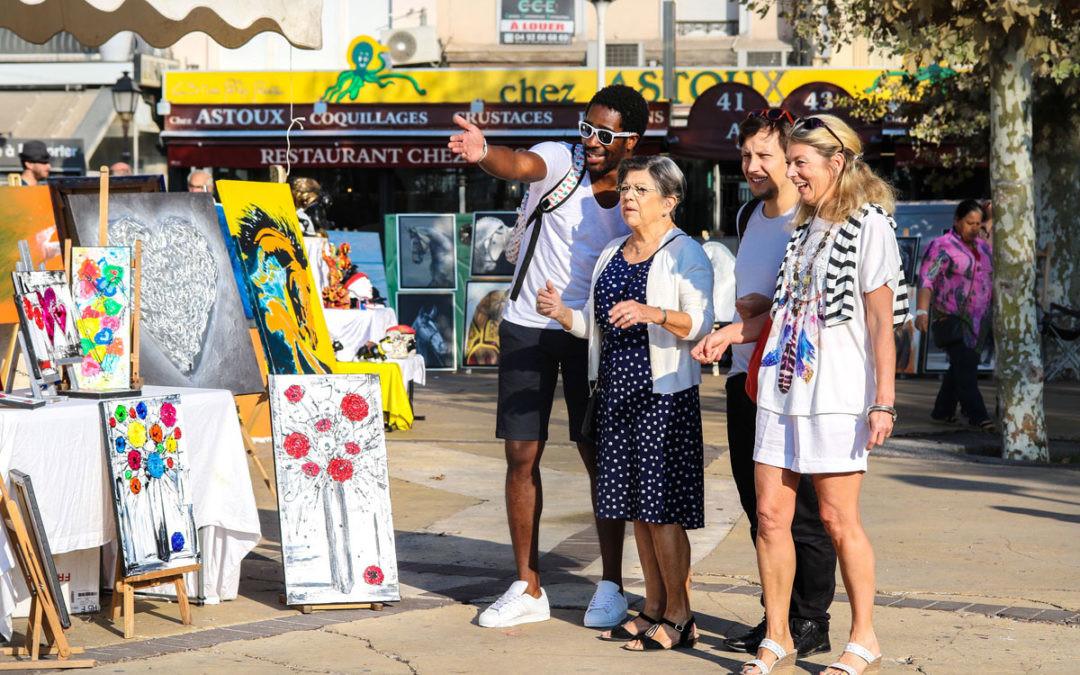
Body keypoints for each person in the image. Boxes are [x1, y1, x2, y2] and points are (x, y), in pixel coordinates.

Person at [696, 114, 905, 675]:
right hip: (779, 388)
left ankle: (864, 637)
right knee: (768, 515)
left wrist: (883, 400)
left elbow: (883, 324)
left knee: (838, 521)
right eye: (788, 163)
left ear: (836, 163)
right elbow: (786, 311)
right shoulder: (803, 226)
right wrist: (730, 333)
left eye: (800, 163)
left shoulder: (870, 227)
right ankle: (780, 635)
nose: (792, 174)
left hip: (836, 393)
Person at [448, 85, 649, 629]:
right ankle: (527, 584)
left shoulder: (637, 191)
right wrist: (483, 152)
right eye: (587, 128)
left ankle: (610, 584)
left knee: (598, 457)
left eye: (605, 135)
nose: (592, 142)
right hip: (528, 326)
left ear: (631, 140)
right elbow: (520, 164)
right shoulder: (562, 160)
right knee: (521, 455)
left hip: (593, 335)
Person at [538, 155, 712, 651]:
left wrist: (652, 312)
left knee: (662, 510)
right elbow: (598, 326)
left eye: (639, 190)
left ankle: (680, 615)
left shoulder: (685, 253)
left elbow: (701, 322)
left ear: (669, 201)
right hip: (615, 394)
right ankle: (653, 606)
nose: (628, 198)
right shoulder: (613, 250)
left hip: (663, 397)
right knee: (635, 507)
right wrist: (563, 315)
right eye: (627, 189)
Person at [698, 109, 837, 659]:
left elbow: (804, 308)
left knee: (801, 510)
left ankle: (811, 618)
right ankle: (776, 617)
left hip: (793, 379)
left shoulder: (811, 219)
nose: (751, 167)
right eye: (745, 157)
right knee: (759, 507)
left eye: (764, 156)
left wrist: (742, 322)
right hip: (745, 374)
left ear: (792, 157)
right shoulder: (751, 214)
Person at [915, 199, 995, 432]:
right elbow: (927, 279)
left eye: (978, 224)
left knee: (960, 366)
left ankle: (942, 410)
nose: (974, 228)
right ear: (957, 221)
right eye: (969, 222)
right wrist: (921, 311)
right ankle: (978, 415)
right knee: (967, 366)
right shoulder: (942, 246)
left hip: (980, 321)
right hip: (950, 317)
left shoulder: (984, 249)